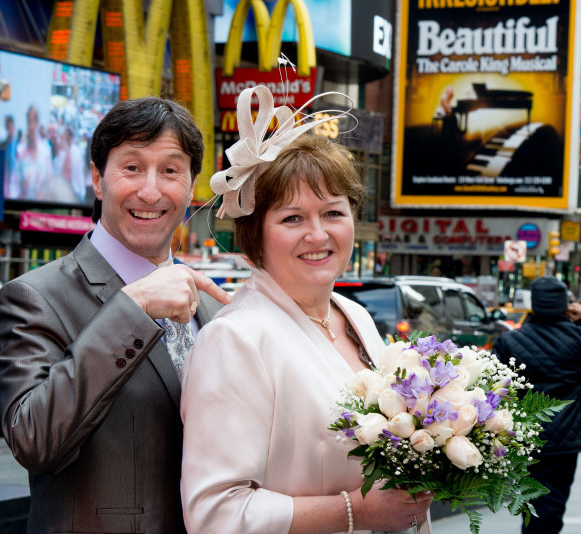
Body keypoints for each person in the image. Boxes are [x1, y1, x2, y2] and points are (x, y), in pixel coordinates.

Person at [180, 86, 433, 534]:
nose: (317, 235)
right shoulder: (236, 339)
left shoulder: (353, 314)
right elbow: (214, 514)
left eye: (333, 213)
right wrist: (359, 511)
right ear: (255, 234)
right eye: (292, 218)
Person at [0, 96, 231, 534]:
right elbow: (33, 439)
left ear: (192, 184)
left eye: (170, 170)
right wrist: (133, 307)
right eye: (131, 167)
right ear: (97, 179)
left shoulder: (215, 306)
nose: (150, 191)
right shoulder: (33, 296)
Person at [492, 276, 581, 534]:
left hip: (525, 436)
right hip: (565, 440)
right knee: (554, 504)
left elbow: (494, 387)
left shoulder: (511, 341)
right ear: (565, 304)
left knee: (530, 502)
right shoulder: (576, 339)